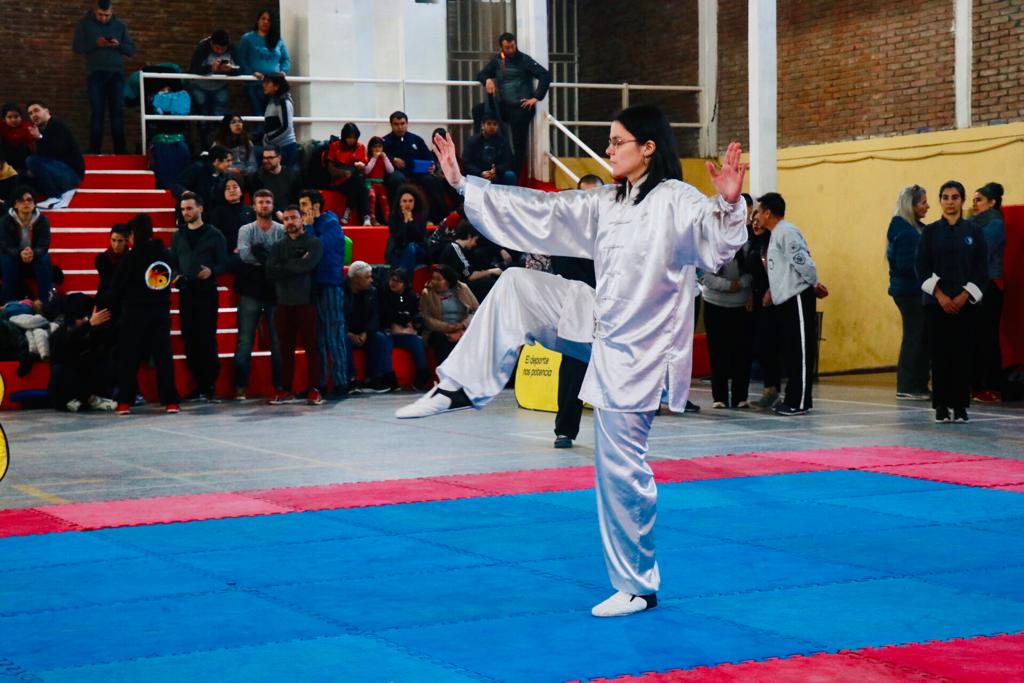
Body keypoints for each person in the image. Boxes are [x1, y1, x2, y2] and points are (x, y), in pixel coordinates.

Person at [397, 105, 748, 618]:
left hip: (639, 353)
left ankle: (638, 587)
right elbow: (542, 211)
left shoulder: (676, 199)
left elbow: (715, 242)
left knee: (619, 469)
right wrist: (463, 184)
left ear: (648, 147)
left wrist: (730, 204)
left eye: (617, 141)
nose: (608, 149)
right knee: (516, 285)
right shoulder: (607, 202)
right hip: (598, 320)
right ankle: (459, 386)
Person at [917, 180, 988, 423]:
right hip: (936, 305)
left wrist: (963, 296)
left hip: (965, 305)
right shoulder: (930, 232)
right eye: (945, 197)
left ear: (962, 201)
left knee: (963, 355)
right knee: (939, 355)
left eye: (955, 197)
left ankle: (959, 406)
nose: (950, 202)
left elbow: (981, 269)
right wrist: (940, 296)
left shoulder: (974, 232)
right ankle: (941, 405)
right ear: (940, 201)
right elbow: (921, 267)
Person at [757, 192, 824, 417]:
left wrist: (813, 283)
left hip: (797, 297)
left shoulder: (786, 232)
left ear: (768, 213)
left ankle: (799, 402)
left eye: (759, 212)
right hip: (785, 300)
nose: (756, 216)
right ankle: (793, 398)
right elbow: (781, 269)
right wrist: (772, 291)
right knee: (791, 352)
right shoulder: (776, 234)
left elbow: (802, 262)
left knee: (801, 352)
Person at [550, 174, 602, 449]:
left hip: (613, 310)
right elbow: (565, 273)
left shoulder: (616, 230)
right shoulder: (566, 237)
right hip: (579, 310)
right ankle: (565, 430)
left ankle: (616, 432)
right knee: (573, 370)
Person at [110, 213, 180, 414]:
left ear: (133, 234)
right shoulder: (164, 254)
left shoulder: (130, 257)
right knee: (163, 356)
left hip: (134, 313)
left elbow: (117, 287)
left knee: (128, 357)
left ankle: (125, 402)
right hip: (160, 312)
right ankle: (171, 401)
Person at [171, 191, 229, 401]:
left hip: (206, 292)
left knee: (206, 338)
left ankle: (209, 384)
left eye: (189, 208)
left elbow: (224, 263)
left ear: (200, 208)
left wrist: (212, 271)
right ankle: (198, 383)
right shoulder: (178, 236)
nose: (185, 212)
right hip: (186, 292)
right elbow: (172, 262)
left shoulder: (215, 235)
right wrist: (175, 276)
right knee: (189, 338)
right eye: (183, 209)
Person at [266, 204, 323, 405]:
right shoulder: (277, 246)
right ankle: (285, 388)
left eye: (293, 218)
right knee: (284, 349)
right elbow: (270, 271)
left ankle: (314, 388)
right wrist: (297, 263)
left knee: (311, 347)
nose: (290, 222)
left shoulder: (314, 243)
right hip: (283, 302)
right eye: (286, 219)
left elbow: (309, 264)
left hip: (306, 302)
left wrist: (284, 266)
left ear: (302, 219)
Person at [701, 202, 754, 409]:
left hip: (740, 304)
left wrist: (740, 284)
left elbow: (753, 272)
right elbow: (704, 274)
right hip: (714, 303)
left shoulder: (747, 240)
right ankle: (720, 397)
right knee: (717, 352)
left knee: (742, 352)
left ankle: (741, 396)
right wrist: (727, 285)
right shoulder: (709, 239)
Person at [475, 32, 551, 177]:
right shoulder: (497, 61)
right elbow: (481, 74)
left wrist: (536, 97)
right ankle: (483, 159)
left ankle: (515, 175)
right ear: (501, 47)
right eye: (507, 47)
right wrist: (487, 80)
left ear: (515, 44)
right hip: (504, 106)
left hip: (522, 107)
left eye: (512, 46)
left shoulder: (524, 60)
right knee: (478, 110)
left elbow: (545, 75)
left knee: (518, 144)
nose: (510, 50)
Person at [233, 189, 284, 400]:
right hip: (250, 289)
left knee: (277, 342)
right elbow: (244, 255)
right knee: (245, 340)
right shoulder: (245, 229)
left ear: (273, 205)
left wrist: (260, 252)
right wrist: (270, 259)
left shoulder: (281, 229)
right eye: (260, 202)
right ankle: (240, 387)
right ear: (254, 206)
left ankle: (280, 386)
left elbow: (283, 256)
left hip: (275, 291)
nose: (264, 205)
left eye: (268, 202)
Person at [299, 189, 349, 396]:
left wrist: (310, 228)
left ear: (316, 206)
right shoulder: (308, 225)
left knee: (333, 332)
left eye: (304, 204)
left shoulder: (331, 223)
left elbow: (317, 249)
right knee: (317, 336)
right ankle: (319, 382)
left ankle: (340, 382)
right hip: (313, 285)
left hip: (330, 283)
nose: (301, 209)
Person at [72, 0, 135, 154]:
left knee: (117, 113)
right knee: (97, 113)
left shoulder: (120, 26)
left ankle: (121, 151)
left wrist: (118, 45)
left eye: (107, 15)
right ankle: (94, 151)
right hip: (95, 74)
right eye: (100, 15)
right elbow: (77, 47)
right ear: (95, 11)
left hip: (116, 74)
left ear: (112, 12)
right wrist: (96, 44)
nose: (104, 18)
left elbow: (131, 50)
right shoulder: (85, 25)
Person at [886, 185, 931, 401]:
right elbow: (907, 265)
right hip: (910, 292)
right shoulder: (906, 232)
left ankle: (917, 384)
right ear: (911, 206)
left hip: (908, 290)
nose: (927, 206)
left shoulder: (907, 227)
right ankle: (908, 385)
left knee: (918, 336)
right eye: (923, 202)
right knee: (915, 337)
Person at [48, 293, 116, 413]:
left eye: (87, 316)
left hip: (87, 387)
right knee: (61, 368)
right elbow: (67, 346)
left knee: (102, 358)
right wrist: (88, 325)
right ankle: (85, 399)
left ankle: (92, 398)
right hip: (65, 392)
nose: (85, 319)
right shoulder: (58, 335)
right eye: (82, 317)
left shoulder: (93, 331)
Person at [744, 195, 781, 410]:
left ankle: (773, 390)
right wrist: (751, 293)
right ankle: (769, 390)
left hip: (772, 299)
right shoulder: (752, 241)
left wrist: (771, 290)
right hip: (757, 298)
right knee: (760, 345)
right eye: (753, 219)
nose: (755, 222)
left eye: (758, 217)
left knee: (770, 345)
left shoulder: (773, 240)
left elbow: (778, 270)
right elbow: (750, 272)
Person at [970, 181, 1006, 403]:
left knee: (987, 338)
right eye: (973, 200)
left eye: (979, 200)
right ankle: (975, 385)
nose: (974, 204)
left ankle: (991, 387)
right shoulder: (972, 224)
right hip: (974, 285)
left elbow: (980, 251)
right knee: (975, 337)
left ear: (992, 203)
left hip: (989, 286)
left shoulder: (995, 223)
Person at [382, 111, 446, 222]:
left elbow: (429, 157)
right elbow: (378, 155)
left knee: (431, 180)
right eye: (396, 124)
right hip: (397, 173)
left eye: (402, 124)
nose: (400, 127)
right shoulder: (385, 141)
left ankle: (436, 218)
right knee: (397, 178)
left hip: (417, 174)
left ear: (407, 124)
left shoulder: (416, 139)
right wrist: (392, 160)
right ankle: (397, 217)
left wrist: (433, 166)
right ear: (391, 125)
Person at [345, 261, 396, 393]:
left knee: (380, 338)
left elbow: (375, 316)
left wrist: (366, 332)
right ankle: (351, 380)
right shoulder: (340, 292)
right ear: (356, 279)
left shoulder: (372, 292)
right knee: (342, 341)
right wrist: (348, 333)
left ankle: (372, 379)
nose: (371, 280)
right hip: (345, 333)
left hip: (364, 332)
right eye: (367, 277)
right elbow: (336, 317)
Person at [189, 30, 243, 148]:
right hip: (200, 86)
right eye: (217, 48)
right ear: (211, 43)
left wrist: (230, 70)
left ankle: (218, 145)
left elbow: (241, 68)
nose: (219, 52)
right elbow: (193, 69)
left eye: (223, 49)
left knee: (219, 117)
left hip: (220, 86)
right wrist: (210, 68)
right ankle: (204, 147)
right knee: (203, 117)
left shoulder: (232, 48)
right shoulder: (203, 47)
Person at [0, 186, 53, 304]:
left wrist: (33, 252)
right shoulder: (5, 221)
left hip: (33, 255)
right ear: (15, 205)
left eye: (29, 200)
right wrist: (20, 253)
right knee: (8, 260)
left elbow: (44, 244)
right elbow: (4, 245)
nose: (26, 203)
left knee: (44, 259)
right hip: (13, 255)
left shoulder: (43, 220)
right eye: (21, 200)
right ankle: (7, 303)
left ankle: (45, 303)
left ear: (34, 204)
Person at [419, 264, 478, 367]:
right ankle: (445, 372)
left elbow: (476, 310)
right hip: (439, 331)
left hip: (463, 328)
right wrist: (447, 328)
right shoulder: (427, 293)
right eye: (433, 278)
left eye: (439, 279)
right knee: (440, 339)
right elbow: (426, 317)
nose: (434, 282)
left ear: (448, 280)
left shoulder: (462, 288)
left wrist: (463, 327)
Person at [381, 267, 431, 389]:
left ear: (404, 283)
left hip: (406, 332)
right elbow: (385, 314)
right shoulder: (383, 294)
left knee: (417, 342)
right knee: (384, 344)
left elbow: (415, 314)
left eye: (398, 281)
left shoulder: (411, 296)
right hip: (389, 331)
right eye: (392, 280)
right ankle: (389, 378)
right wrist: (402, 318)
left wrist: (415, 322)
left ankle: (422, 374)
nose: (393, 283)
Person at [24, 101, 85, 200]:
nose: (33, 115)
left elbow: (57, 150)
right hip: (59, 173)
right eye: (30, 113)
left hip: (71, 175)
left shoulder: (58, 126)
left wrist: (39, 137)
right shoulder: (41, 130)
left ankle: (54, 196)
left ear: (47, 111)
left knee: (31, 160)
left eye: (36, 110)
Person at [239, 9, 290, 121]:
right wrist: (251, 73)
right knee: (258, 116)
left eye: (269, 20)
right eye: (263, 19)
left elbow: (286, 59)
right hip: (255, 83)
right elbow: (241, 59)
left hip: (274, 85)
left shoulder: (278, 40)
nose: (266, 22)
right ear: (257, 20)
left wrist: (283, 71)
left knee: (274, 116)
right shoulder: (247, 38)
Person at [438, 222, 502, 301]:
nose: (475, 244)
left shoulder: (462, 249)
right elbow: (470, 276)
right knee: (491, 284)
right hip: (454, 288)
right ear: (469, 237)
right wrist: (491, 271)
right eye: (475, 240)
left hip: (460, 283)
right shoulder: (455, 249)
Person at [324, 123, 371, 225]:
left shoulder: (361, 147)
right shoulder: (335, 146)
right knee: (361, 186)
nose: (352, 140)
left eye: (354, 138)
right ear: (344, 136)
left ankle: (349, 209)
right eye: (349, 137)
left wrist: (361, 166)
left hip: (355, 177)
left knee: (360, 183)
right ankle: (366, 216)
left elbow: (365, 167)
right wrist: (343, 173)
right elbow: (330, 168)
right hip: (339, 180)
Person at [385, 185, 430, 278]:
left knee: (411, 247)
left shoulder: (421, 216)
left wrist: (411, 221)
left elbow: (419, 237)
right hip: (399, 248)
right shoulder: (394, 217)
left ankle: (403, 279)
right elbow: (398, 238)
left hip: (418, 249)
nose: (407, 204)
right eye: (404, 201)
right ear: (400, 203)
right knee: (403, 252)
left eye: (410, 201)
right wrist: (405, 222)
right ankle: (402, 278)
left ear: (415, 203)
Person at [462, 110, 517, 185]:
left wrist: (496, 170)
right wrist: (480, 173)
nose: (492, 127)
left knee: (510, 175)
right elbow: (467, 162)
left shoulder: (502, 141)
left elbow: (507, 161)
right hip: (478, 174)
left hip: (496, 174)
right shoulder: (472, 141)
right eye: (489, 124)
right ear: (482, 125)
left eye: (494, 124)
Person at [208, 177, 255, 256]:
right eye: (227, 188)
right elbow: (215, 237)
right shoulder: (217, 212)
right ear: (223, 193)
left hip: (250, 250)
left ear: (241, 191)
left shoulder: (250, 210)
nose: (232, 190)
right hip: (227, 253)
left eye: (235, 187)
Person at [262, 73, 297, 167]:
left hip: (285, 147)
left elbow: (287, 127)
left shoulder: (283, 102)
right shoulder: (272, 101)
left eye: (267, 82)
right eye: (264, 82)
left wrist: (269, 139)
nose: (264, 85)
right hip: (276, 147)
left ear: (276, 86)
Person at [94, 223, 130, 301]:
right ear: (110, 239)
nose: (116, 245)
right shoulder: (101, 259)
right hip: (106, 299)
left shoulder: (132, 258)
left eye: (120, 241)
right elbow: (107, 283)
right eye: (113, 240)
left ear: (126, 241)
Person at [364, 136, 393, 224]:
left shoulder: (383, 158)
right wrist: (374, 158)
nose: (377, 149)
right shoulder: (368, 157)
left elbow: (391, 170)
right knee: (372, 196)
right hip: (370, 183)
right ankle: (372, 218)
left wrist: (385, 158)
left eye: (380, 147)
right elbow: (366, 171)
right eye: (375, 147)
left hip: (380, 184)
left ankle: (388, 220)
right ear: (371, 148)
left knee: (384, 199)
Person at [1, 104, 36, 172]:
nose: (13, 120)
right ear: (4, 119)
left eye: (16, 116)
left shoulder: (27, 126)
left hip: (23, 156)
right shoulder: (2, 126)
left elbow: (32, 146)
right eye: (9, 117)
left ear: (21, 117)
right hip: (7, 156)